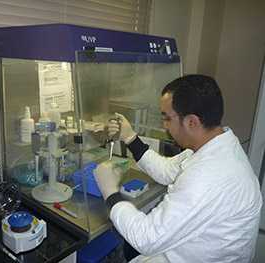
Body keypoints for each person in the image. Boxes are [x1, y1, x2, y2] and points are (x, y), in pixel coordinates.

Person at [94, 74, 263, 263]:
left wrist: (111, 192)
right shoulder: (214, 146)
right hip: (186, 246)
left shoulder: (210, 174)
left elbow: (147, 238)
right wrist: (131, 138)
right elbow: (167, 171)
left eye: (167, 118)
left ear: (192, 122)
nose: (164, 125)